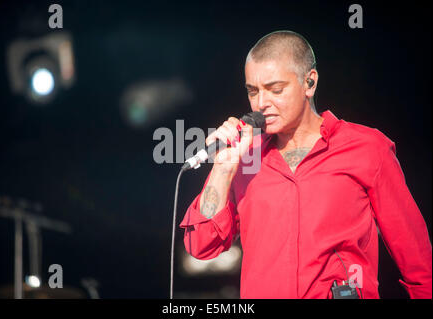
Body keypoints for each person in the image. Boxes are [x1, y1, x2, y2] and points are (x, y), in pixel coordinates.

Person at [179, 30, 432, 299]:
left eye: (276, 89)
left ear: (309, 83)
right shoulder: (244, 158)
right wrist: (223, 168)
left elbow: (418, 263)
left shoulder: (367, 149)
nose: (261, 104)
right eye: (253, 92)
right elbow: (201, 245)